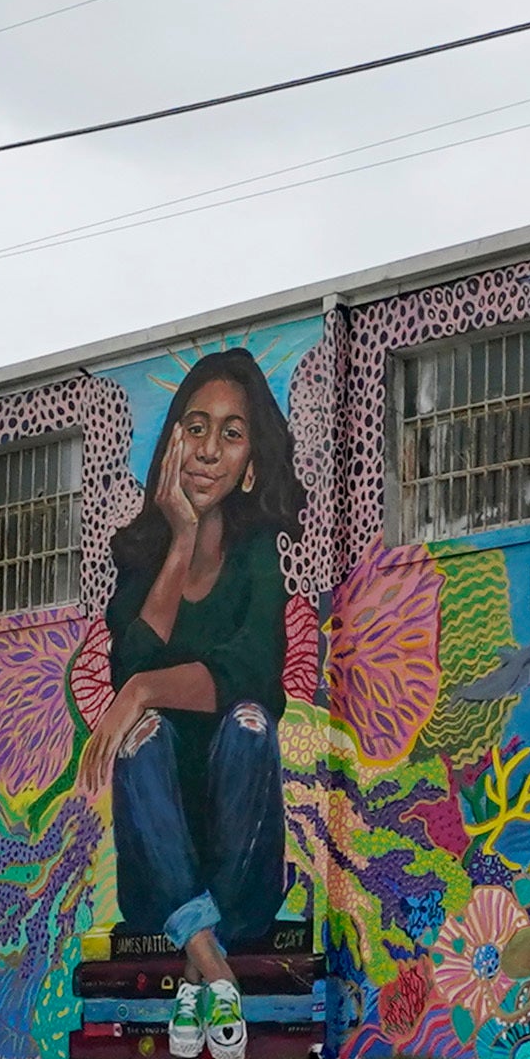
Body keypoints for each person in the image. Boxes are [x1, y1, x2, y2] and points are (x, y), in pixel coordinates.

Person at [95, 349, 301, 1015]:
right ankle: (204, 954)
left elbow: (255, 673)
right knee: (143, 736)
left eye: (231, 433)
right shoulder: (137, 559)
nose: (209, 450)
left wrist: (143, 690)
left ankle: (204, 937)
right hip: (156, 875)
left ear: (249, 463)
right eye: (195, 427)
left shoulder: (256, 558)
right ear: (172, 444)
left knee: (247, 723)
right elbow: (130, 660)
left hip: (243, 877)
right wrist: (179, 541)